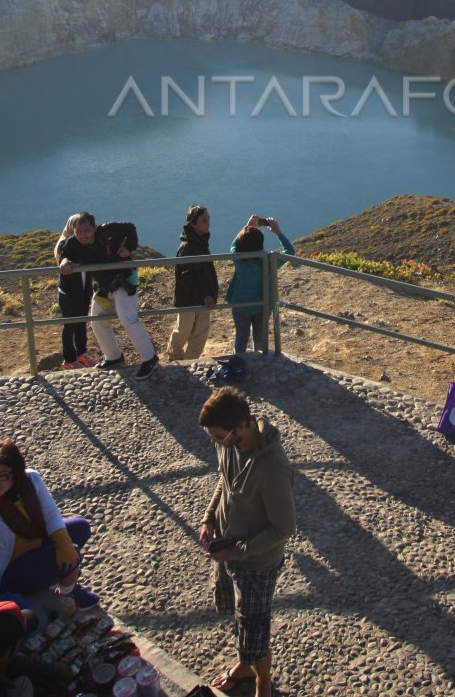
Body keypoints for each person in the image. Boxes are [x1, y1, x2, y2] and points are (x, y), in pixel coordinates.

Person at [198, 388, 295, 697]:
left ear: (241, 426)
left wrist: (239, 551)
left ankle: (261, 681)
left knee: (255, 628)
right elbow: (224, 480)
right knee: (237, 615)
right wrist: (209, 517)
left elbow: (283, 527)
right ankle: (244, 665)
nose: (215, 442)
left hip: (256, 563)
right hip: (227, 551)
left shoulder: (273, 468)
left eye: (217, 436)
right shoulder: (229, 443)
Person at [0, 440, 98, 610]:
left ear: (16, 471)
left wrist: (63, 544)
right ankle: (67, 593)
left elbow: (51, 514)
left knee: (80, 528)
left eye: (2, 476)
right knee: (72, 555)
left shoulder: (31, 480)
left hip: (36, 544)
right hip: (11, 570)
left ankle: (61, 577)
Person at [57, 211, 159, 381]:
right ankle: (113, 356)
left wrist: (129, 246)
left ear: (94, 228)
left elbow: (130, 228)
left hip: (124, 280)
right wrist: (64, 260)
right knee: (97, 318)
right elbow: (64, 253)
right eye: (79, 232)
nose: (83, 235)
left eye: (87, 231)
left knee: (127, 318)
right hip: (104, 286)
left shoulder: (109, 231)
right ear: (73, 231)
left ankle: (149, 357)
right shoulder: (73, 243)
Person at [227, 215, 295, 365]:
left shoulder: (238, 259)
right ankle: (259, 361)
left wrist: (248, 226)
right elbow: (290, 251)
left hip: (240, 305)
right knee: (259, 337)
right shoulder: (269, 261)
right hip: (262, 306)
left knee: (241, 336)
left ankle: (239, 362)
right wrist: (278, 232)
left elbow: (234, 245)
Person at [167, 204, 219, 361]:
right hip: (188, 300)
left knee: (199, 334)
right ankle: (174, 357)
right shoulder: (187, 247)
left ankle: (189, 362)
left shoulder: (200, 242)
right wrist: (206, 295)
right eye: (204, 220)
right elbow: (188, 278)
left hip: (203, 298)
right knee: (183, 331)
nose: (208, 223)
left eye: (208, 219)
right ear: (193, 224)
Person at [53, 213, 96, 369]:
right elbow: (62, 256)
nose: (82, 234)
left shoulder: (87, 242)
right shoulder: (66, 243)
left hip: (84, 290)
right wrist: (65, 261)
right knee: (70, 325)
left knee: (81, 322)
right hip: (68, 292)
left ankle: (81, 353)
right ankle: (69, 359)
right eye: (77, 229)